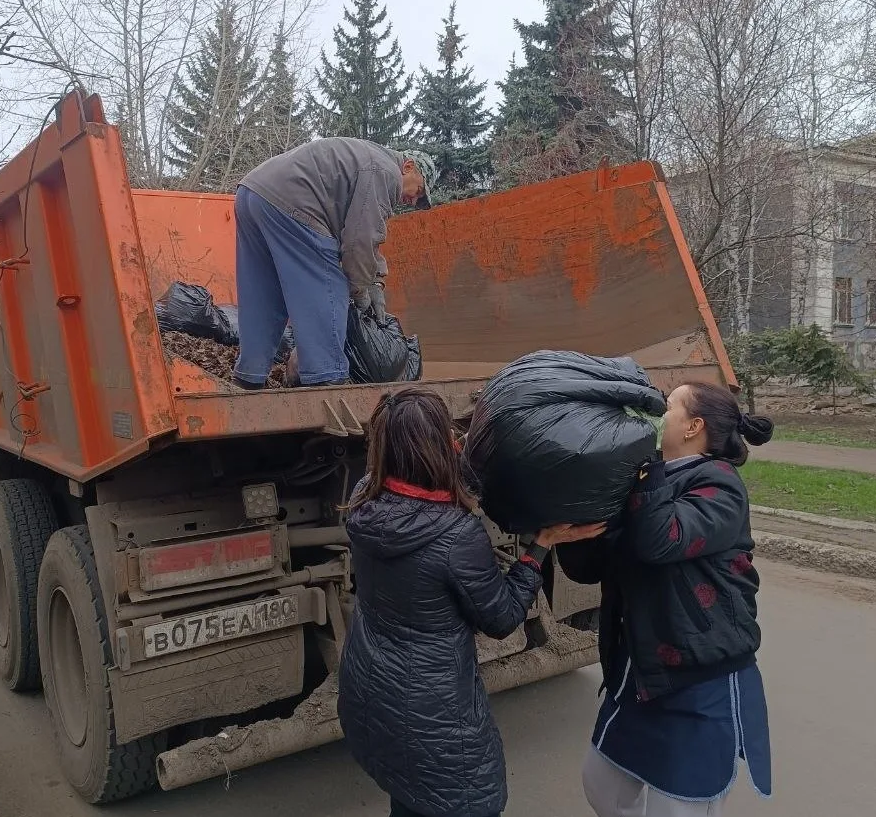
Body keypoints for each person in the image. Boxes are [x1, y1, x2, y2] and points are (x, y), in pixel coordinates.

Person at [338, 387, 605, 817]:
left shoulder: (365, 497)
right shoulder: (454, 535)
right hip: (433, 714)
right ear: (438, 445)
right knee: (469, 802)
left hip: (373, 692)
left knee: (409, 796)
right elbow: (500, 617)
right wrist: (539, 548)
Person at [556, 381, 775, 817]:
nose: (655, 414)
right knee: (602, 787)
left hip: (700, 679)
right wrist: (573, 523)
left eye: (666, 407)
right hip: (642, 672)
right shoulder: (643, 479)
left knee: (675, 809)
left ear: (693, 426)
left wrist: (644, 466)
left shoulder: (720, 485)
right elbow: (591, 565)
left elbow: (661, 541)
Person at [231, 139, 438, 389]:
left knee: (264, 293)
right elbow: (359, 242)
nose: (414, 201)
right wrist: (359, 289)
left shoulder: (372, 160)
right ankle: (325, 378)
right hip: (293, 203)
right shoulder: (386, 173)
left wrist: (375, 279)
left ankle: (248, 376)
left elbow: (364, 232)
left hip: (252, 194)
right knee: (328, 286)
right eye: (419, 192)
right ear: (408, 167)